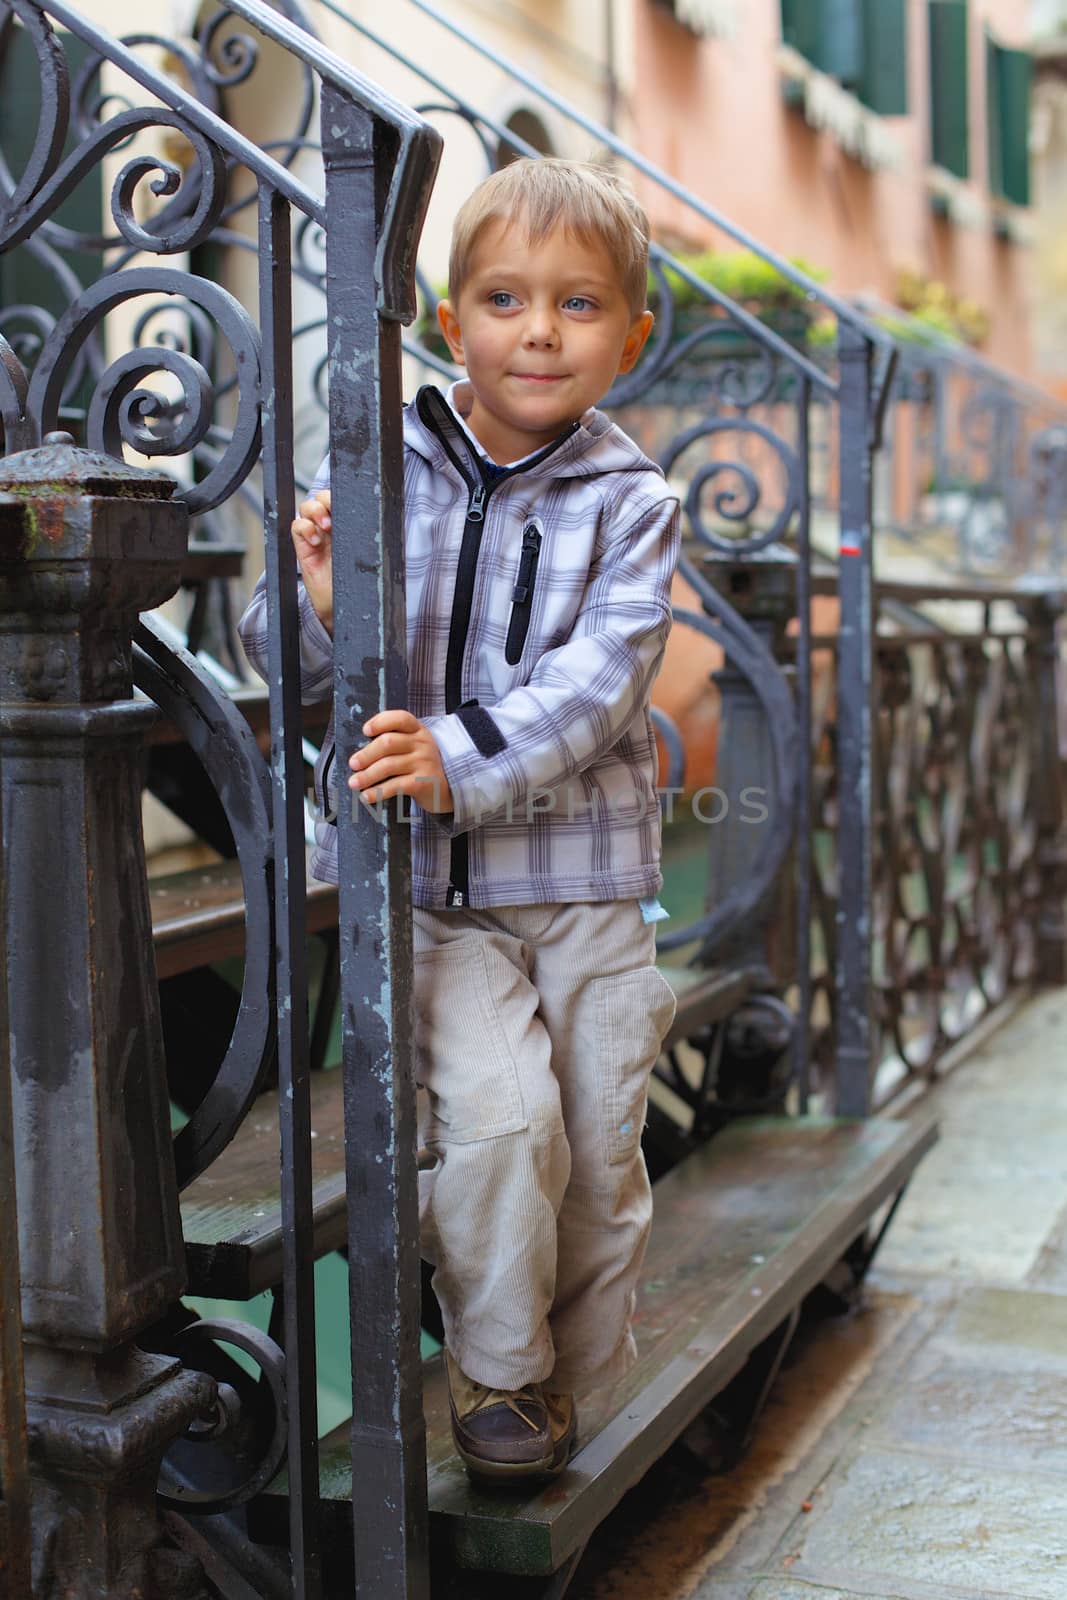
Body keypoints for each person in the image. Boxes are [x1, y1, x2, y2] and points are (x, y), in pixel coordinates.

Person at [239, 157, 681, 1482]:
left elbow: (599, 687)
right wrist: (318, 602)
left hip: (585, 885)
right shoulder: (381, 468)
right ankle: (502, 1376)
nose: (539, 330)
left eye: (579, 304)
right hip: (423, 891)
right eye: (504, 297)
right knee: (500, 1125)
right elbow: (298, 677)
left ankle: (569, 1379)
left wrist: (455, 750)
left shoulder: (634, 506)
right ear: (452, 325)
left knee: (598, 1158)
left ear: (629, 338)